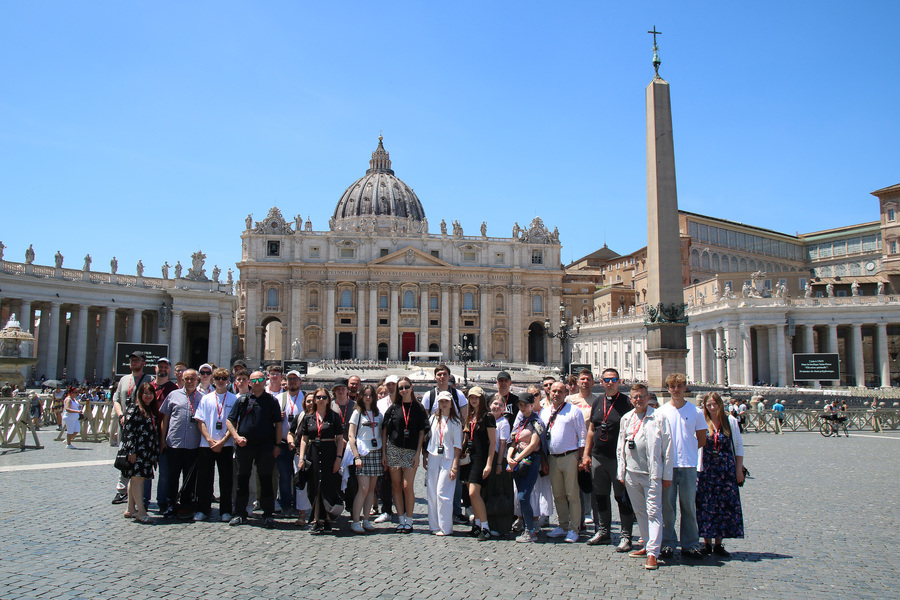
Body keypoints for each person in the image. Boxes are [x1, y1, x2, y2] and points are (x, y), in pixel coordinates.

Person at [616, 384, 673, 570]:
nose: (638, 400)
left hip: (652, 473)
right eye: (635, 397)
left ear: (648, 398)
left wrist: (666, 475)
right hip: (632, 473)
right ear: (631, 399)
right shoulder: (627, 418)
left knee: (654, 512)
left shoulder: (659, 417)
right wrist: (621, 472)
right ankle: (648, 544)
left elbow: (668, 448)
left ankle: (653, 553)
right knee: (639, 511)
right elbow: (621, 447)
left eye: (641, 396)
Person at [582, 367, 635, 550]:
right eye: (607, 380)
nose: (610, 383)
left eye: (613, 380)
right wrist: (586, 454)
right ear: (601, 382)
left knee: (622, 497)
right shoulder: (598, 401)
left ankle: (626, 535)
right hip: (598, 456)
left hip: (619, 459)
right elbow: (591, 429)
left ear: (619, 382)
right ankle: (603, 531)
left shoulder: (628, 403)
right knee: (600, 496)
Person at [657, 373, 708, 559]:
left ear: (685, 388)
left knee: (688, 506)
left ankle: (690, 544)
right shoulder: (661, 412)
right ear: (668, 388)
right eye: (672, 386)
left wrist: (688, 450)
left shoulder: (696, 412)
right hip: (668, 466)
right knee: (667, 508)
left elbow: (702, 439)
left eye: (679, 386)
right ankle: (668, 543)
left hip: (688, 465)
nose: (676, 389)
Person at [227, 370, 282, 528]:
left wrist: (277, 445)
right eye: (254, 380)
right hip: (245, 445)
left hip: (266, 445)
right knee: (242, 479)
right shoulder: (242, 400)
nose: (257, 382)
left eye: (260, 379)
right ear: (249, 383)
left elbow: (278, 424)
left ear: (265, 381)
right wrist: (236, 437)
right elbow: (230, 420)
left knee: (266, 480)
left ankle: (268, 514)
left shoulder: (271, 401)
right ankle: (240, 513)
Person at [696, 392, 745, 557]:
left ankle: (719, 543)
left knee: (723, 506)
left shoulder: (730, 421)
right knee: (706, 506)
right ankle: (706, 542)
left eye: (713, 404)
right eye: (708, 405)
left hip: (726, 470)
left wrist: (739, 469)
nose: (711, 407)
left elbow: (738, 446)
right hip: (707, 470)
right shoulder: (702, 421)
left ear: (720, 405)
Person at [540, 381, 587, 543]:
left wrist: (581, 458)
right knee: (558, 494)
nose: (556, 394)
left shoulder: (574, 411)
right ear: (549, 393)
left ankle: (574, 528)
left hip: (570, 457)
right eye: (553, 391)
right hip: (552, 458)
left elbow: (582, 436)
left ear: (566, 393)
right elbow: (541, 438)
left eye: (560, 391)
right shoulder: (544, 412)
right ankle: (563, 525)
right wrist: (544, 460)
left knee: (572, 494)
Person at [382, 376, 427, 533]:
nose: (403, 390)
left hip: (411, 451)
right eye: (400, 388)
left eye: (406, 386)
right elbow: (385, 432)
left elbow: (422, 432)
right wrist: (384, 454)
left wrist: (418, 454)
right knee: (396, 485)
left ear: (411, 387)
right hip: (394, 449)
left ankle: (409, 519)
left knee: (407, 486)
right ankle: (401, 520)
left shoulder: (419, 408)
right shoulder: (393, 408)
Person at [297, 388, 345, 533]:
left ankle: (325, 520)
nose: (321, 400)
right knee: (313, 487)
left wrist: (338, 458)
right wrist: (301, 458)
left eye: (324, 397)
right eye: (318, 397)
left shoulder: (334, 417)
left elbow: (340, 439)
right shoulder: (308, 417)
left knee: (327, 486)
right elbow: (304, 439)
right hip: (313, 453)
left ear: (328, 400)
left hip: (329, 452)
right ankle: (316, 519)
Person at [194, 367, 237, 522]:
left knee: (226, 480)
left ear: (228, 380)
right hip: (207, 444)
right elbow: (200, 421)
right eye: (218, 378)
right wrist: (210, 440)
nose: (220, 381)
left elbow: (234, 423)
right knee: (205, 479)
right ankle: (203, 509)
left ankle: (225, 510)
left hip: (226, 445)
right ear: (213, 380)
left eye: (223, 378)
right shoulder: (206, 399)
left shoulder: (233, 399)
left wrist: (223, 441)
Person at [159, 369, 203, 519]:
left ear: (197, 380)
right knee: (172, 476)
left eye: (192, 379)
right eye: (187, 379)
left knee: (190, 478)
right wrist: (162, 439)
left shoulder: (202, 398)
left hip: (193, 444)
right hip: (174, 442)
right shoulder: (173, 395)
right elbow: (165, 418)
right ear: (182, 380)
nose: (190, 381)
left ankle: (186, 505)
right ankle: (170, 504)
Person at [111, 351, 152, 504]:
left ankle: (140, 495)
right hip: (125, 425)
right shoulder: (123, 380)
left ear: (143, 363)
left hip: (141, 427)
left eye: (136, 360)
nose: (133, 362)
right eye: (132, 360)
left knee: (140, 459)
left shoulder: (149, 379)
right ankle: (121, 491)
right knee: (124, 455)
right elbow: (115, 400)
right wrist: (121, 415)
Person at [121, 382, 160, 524]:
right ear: (139, 394)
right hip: (137, 450)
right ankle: (141, 512)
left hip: (146, 450)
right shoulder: (135, 408)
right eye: (145, 393)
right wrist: (131, 449)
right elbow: (128, 430)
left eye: (150, 393)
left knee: (134, 478)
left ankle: (130, 509)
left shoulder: (149, 409)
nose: (148, 396)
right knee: (138, 479)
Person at [507, 392, 544, 543]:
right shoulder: (519, 421)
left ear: (532, 405)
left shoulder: (537, 422)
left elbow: (534, 444)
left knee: (523, 496)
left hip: (530, 461)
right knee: (522, 498)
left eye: (525, 405)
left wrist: (515, 458)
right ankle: (528, 527)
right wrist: (509, 457)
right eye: (520, 405)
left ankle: (531, 531)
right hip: (517, 462)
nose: (522, 408)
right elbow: (513, 441)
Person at [347, 384, 383, 533]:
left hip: (376, 452)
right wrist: (356, 456)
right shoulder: (357, 413)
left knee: (371, 490)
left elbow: (381, 434)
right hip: (362, 453)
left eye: (370, 395)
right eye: (365, 395)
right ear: (361, 396)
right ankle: (355, 521)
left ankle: (366, 520)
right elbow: (351, 435)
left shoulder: (378, 414)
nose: (368, 397)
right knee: (363, 489)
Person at [426, 391, 463, 535]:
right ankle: (434, 525)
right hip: (433, 455)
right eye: (441, 401)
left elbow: (457, 446)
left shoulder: (455, 422)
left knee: (443, 492)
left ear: (451, 403)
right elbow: (428, 438)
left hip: (448, 458)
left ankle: (446, 527)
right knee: (432, 492)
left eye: (446, 401)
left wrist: (455, 466)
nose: (444, 404)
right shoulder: (433, 419)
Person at [463, 386, 496, 541]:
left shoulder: (488, 416)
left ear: (482, 398)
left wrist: (489, 464)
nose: (474, 400)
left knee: (473, 493)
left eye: (476, 397)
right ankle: (476, 525)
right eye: (471, 397)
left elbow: (493, 442)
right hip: (469, 457)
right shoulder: (470, 416)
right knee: (472, 495)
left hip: (481, 459)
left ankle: (486, 526)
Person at [275, 370, 304, 517]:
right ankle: (286, 504)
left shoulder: (306, 398)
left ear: (300, 381)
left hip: (301, 445)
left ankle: (300, 505)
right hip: (283, 443)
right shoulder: (279, 398)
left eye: (295, 379)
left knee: (300, 475)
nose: (292, 381)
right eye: (290, 379)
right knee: (285, 476)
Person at [287, 393, 315, 527]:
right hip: (300, 455)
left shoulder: (321, 416)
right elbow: (291, 432)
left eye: (312, 401)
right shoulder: (300, 417)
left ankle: (317, 514)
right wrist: (290, 441)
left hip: (316, 455)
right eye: (308, 401)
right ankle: (302, 513)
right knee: (301, 485)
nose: (310, 403)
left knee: (316, 484)